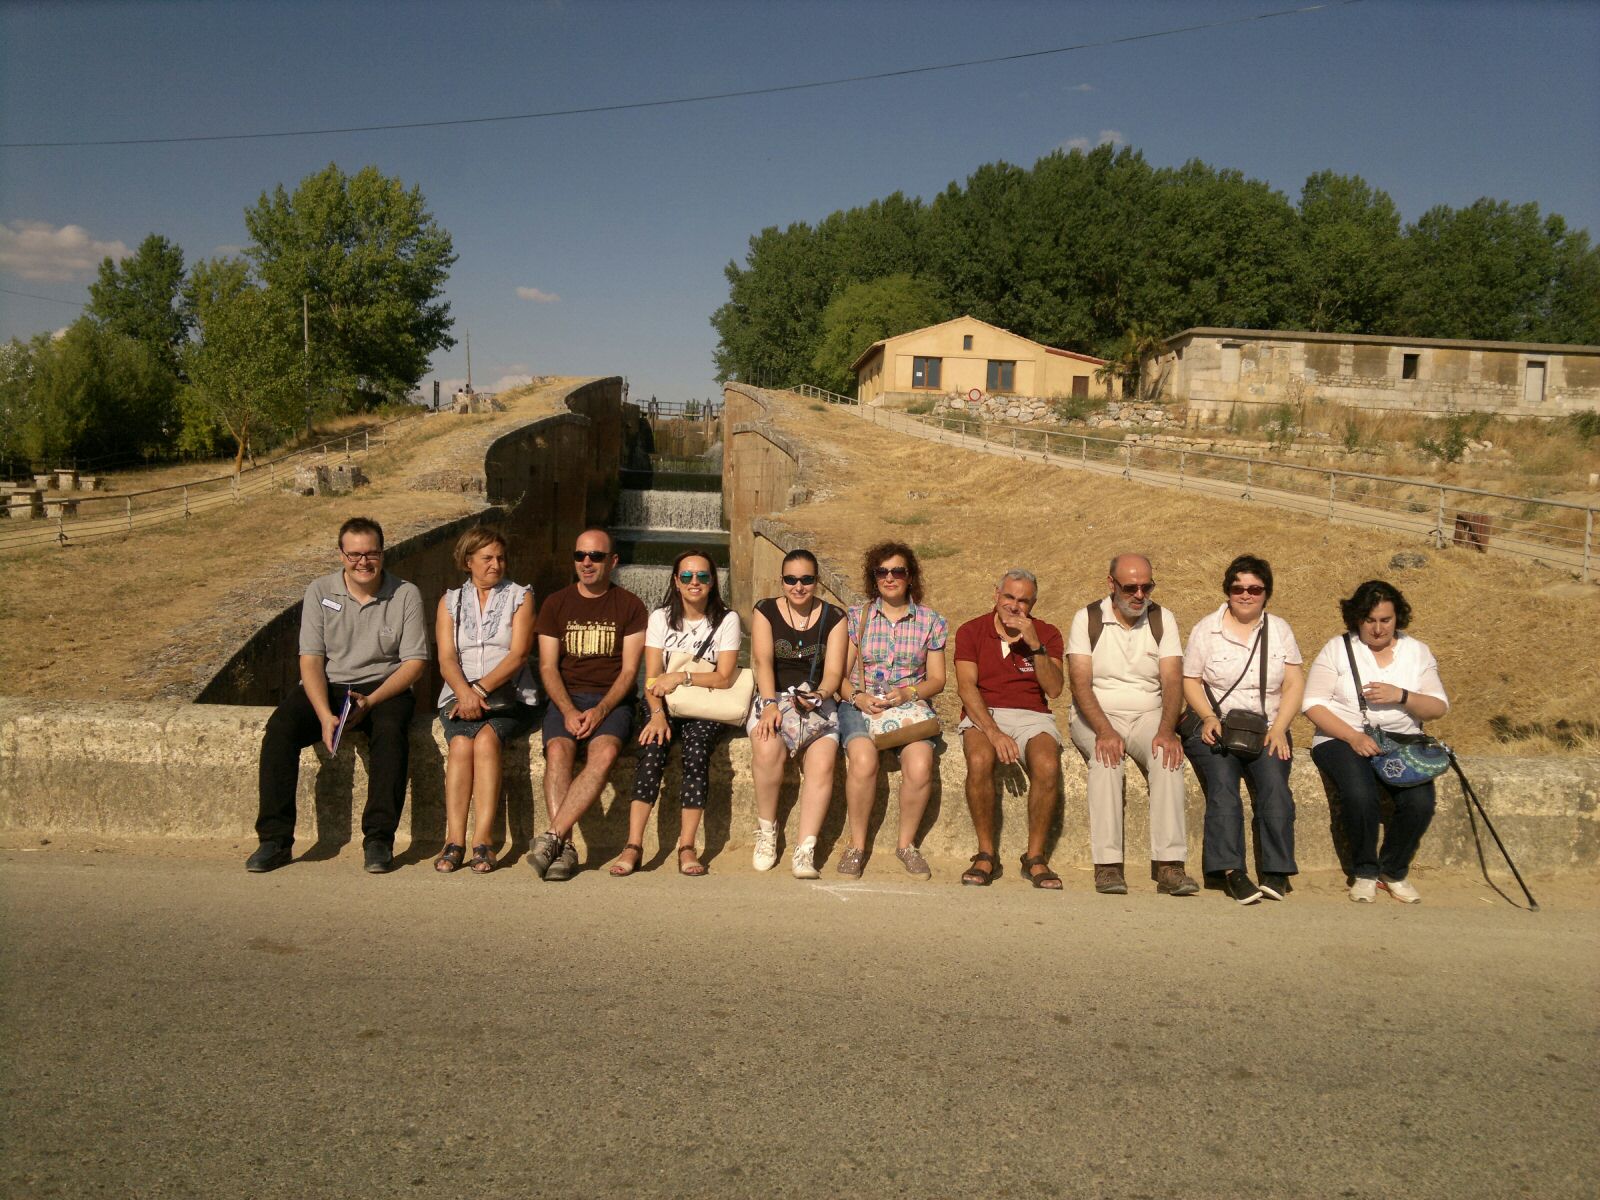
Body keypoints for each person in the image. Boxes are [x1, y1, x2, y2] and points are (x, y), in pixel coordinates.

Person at [247, 516, 429, 874]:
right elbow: (311, 659)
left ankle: (378, 839)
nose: (363, 562)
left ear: (383, 553)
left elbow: (414, 663)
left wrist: (371, 701)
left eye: (371, 553)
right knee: (280, 730)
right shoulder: (320, 591)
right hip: (330, 686)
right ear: (341, 554)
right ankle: (275, 840)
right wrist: (323, 714)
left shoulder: (405, 593)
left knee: (391, 735)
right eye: (354, 554)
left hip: (384, 687)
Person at [1303, 579, 1450, 903]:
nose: (1378, 629)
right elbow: (1312, 703)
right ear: (1357, 618)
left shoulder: (1416, 652)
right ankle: (1365, 871)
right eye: (1370, 620)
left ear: (1398, 618)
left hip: (1403, 739)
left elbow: (1438, 706)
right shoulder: (1339, 649)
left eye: (1386, 620)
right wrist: (1353, 736)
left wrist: (1402, 696)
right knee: (1360, 794)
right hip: (1340, 736)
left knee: (1420, 803)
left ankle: (1393, 871)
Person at [1066, 553, 1197, 897]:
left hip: (1147, 713)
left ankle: (1170, 865)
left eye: (1146, 586)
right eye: (1130, 587)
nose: (1139, 595)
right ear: (1111, 585)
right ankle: (1107, 866)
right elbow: (1079, 684)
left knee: (1167, 758)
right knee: (1106, 760)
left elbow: (1172, 681)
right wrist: (1105, 731)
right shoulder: (1087, 618)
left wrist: (1167, 731)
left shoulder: (1162, 619)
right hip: (1095, 712)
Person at [1181, 554, 1305, 905]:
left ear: (1266, 593)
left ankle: (1277, 871)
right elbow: (1190, 680)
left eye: (1255, 588)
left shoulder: (1279, 630)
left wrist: (1280, 728)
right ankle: (1231, 871)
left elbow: (1294, 683)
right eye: (1238, 588)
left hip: (1266, 726)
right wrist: (1207, 717)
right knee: (1223, 786)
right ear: (1228, 591)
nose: (1246, 595)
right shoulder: (1207, 629)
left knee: (1275, 787)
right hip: (1216, 725)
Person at [611, 549, 742, 878]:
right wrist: (656, 713)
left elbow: (725, 677)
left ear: (712, 582)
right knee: (652, 748)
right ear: (676, 582)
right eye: (687, 576)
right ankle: (633, 844)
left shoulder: (727, 620)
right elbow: (651, 677)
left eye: (702, 576)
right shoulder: (659, 618)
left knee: (696, 751)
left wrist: (681, 676)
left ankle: (686, 846)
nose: (694, 582)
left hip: (706, 704)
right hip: (663, 703)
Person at [532, 528, 648, 882]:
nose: (586, 562)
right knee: (558, 754)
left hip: (612, 701)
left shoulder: (631, 606)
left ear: (612, 561)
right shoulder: (555, 603)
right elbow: (548, 667)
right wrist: (567, 710)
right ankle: (565, 848)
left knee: (604, 755)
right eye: (580, 555)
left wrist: (600, 710)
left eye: (596, 556)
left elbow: (630, 671)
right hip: (565, 698)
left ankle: (551, 838)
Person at [837, 542, 948, 879]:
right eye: (882, 572)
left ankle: (906, 845)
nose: (890, 578)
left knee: (919, 764)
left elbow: (938, 679)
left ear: (910, 576)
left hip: (907, 708)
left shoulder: (931, 621)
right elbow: (838, 677)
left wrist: (908, 692)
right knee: (864, 760)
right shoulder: (857, 617)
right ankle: (857, 845)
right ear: (874, 577)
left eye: (897, 571)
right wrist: (857, 697)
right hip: (861, 704)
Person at [432, 525, 539, 875]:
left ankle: (483, 841)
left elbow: (519, 654)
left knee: (487, 740)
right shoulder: (449, 602)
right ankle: (453, 840)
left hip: (508, 697)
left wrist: (479, 691)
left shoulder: (520, 597)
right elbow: (447, 658)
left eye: (500, 557)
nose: (496, 564)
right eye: (487, 558)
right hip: (458, 696)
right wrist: (464, 692)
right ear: (467, 561)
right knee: (461, 744)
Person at [954, 569, 1066, 889]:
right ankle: (986, 853)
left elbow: (1055, 689)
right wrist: (993, 732)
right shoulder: (971, 631)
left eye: (1023, 601)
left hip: (1032, 713)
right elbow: (966, 688)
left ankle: (1035, 857)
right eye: (1009, 597)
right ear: (996, 594)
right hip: (984, 712)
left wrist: (1035, 645)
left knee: (1047, 764)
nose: (1015, 606)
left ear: (1033, 604)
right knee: (979, 760)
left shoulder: (1047, 633)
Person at [747, 549, 848, 878]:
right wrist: (769, 705)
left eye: (806, 580)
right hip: (773, 696)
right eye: (791, 579)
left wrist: (819, 695)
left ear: (816, 581)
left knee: (823, 762)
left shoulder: (834, 617)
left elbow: (833, 673)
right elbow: (762, 661)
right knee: (766, 748)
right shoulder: (765, 611)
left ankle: (805, 849)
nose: (798, 586)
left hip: (816, 701)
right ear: (782, 581)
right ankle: (767, 833)